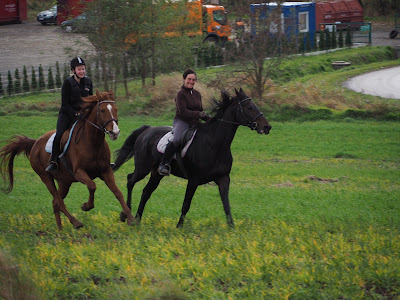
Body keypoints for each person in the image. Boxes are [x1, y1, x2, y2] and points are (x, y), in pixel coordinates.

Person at [157, 68, 209, 176]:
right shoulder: (180, 94)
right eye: (189, 79)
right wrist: (198, 114)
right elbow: (183, 111)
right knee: (177, 140)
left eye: (193, 80)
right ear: (184, 79)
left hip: (195, 123)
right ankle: (164, 164)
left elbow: (200, 109)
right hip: (182, 121)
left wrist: (208, 119)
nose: (191, 81)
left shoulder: (197, 94)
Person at [46, 57, 93, 173]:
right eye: (79, 69)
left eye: (83, 69)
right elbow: (65, 104)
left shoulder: (88, 81)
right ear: (73, 70)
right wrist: (75, 113)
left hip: (82, 115)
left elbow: (90, 99)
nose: (82, 71)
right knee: (59, 135)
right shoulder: (68, 83)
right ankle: (54, 161)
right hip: (67, 115)